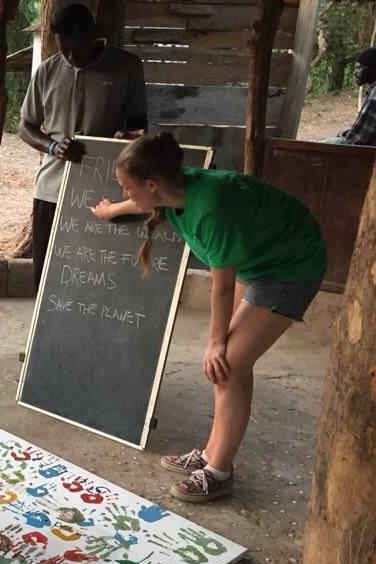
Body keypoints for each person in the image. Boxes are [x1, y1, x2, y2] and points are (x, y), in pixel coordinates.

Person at [93, 133, 327, 503]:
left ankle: (219, 472)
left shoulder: (210, 210)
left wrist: (215, 342)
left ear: (151, 184)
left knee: (227, 363)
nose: (125, 192)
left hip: (289, 267)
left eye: (127, 187)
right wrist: (111, 211)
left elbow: (221, 288)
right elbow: (140, 204)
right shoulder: (174, 191)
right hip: (262, 259)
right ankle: (210, 454)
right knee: (234, 364)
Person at [19, 2, 148, 289]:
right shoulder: (47, 71)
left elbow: (139, 126)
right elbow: (25, 127)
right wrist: (53, 147)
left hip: (104, 195)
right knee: (48, 276)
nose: (71, 56)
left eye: (77, 48)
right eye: (65, 49)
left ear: (93, 35)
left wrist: (125, 138)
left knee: (96, 277)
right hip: (51, 191)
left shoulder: (126, 67)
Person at [324, 47, 376, 146]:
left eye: (359, 67)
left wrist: (341, 136)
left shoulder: (375, 94)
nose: (355, 72)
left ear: (372, 69)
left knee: (311, 149)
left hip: (364, 154)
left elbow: (357, 139)